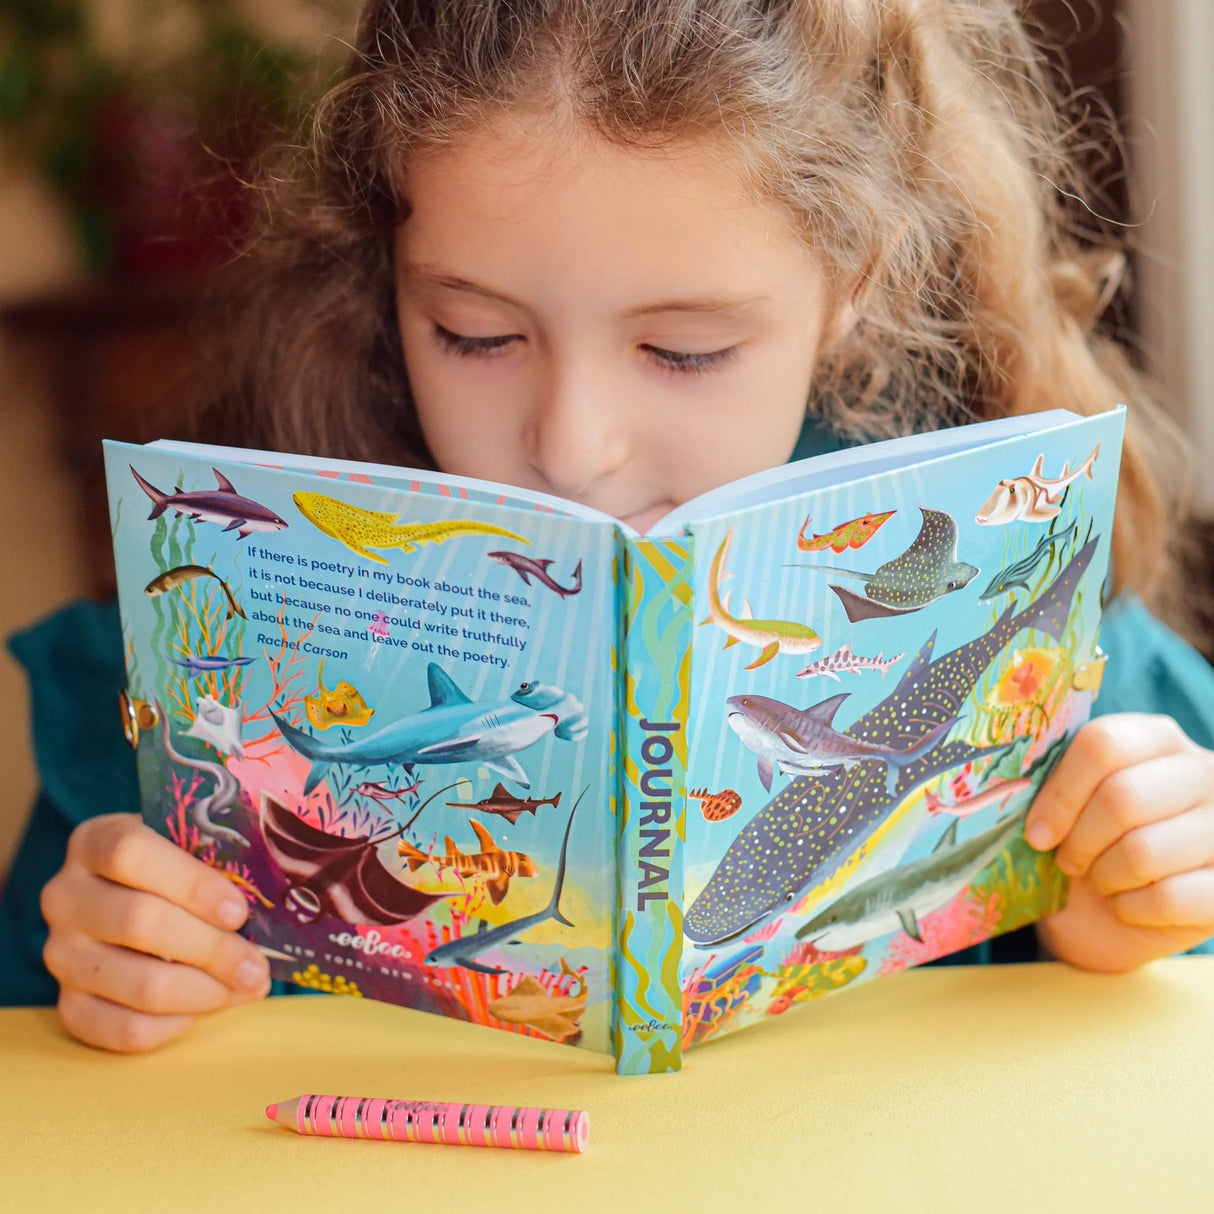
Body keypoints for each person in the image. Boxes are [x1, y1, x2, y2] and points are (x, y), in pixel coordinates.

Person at [3, 0, 1213, 1050]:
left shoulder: (1026, 599)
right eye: (473, 333)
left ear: (853, 285)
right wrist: (117, 965)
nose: (572, 443)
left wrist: (1123, 929)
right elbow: (55, 1030)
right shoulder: (202, 630)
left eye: (682, 350)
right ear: (389, 272)